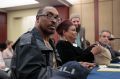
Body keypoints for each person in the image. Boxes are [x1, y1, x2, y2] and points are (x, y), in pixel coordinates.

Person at [10, 6, 61, 79]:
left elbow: (55, 66)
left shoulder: (50, 42)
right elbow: (30, 75)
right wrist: (62, 73)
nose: (54, 21)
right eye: (49, 15)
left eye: (56, 17)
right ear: (37, 19)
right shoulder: (28, 40)